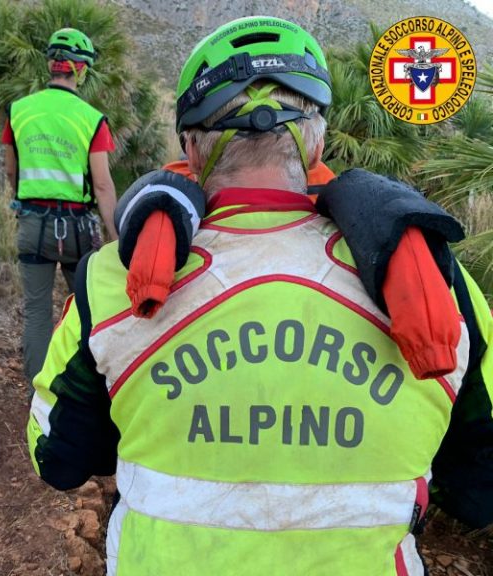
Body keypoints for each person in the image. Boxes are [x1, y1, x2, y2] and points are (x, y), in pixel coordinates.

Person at [26, 16, 493, 575]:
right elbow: (478, 490)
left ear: (191, 151)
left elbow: (59, 458)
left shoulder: (112, 279)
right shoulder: (435, 285)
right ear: (317, 140)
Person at [2, 27, 119, 386]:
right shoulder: (91, 119)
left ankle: (38, 394)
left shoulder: (19, 111)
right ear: (80, 70)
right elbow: (101, 184)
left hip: (33, 225)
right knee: (86, 308)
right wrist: (114, 237)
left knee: (37, 313)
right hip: (76, 230)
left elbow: (11, 170)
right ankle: (87, 389)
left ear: (51, 67)